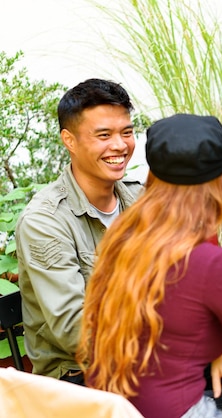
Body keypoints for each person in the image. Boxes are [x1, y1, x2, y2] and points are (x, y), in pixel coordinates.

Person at [76, 114, 222, 418]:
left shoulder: (123, 237)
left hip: (114, 411)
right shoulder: (210, 264)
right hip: (181, 412)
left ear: (151, 178)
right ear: (220, 179)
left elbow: (173, 320)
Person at [15, 78, 143, 384]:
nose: (120, 145)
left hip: (148, 358)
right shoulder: (44, 222)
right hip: (83, 378)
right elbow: (77, 332)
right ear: (69, 140)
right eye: (103, 135)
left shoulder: (140, 200)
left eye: (127, 132)